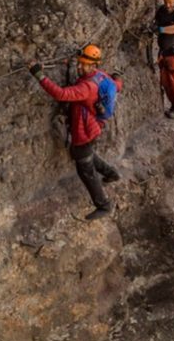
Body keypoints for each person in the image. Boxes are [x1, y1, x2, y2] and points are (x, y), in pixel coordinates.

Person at [27, 44, 122, 220]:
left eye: (83, 64)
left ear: (92, 65)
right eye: (79, 63)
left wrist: (38, 74)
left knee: (84, 169)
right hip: (92, 128)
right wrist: (118, 77)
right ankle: (111, 173)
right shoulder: (100, 76)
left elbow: (61, 94)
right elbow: (116, 85)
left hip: (84, 132)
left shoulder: (88, 87)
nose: (79, 67)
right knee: (86, 155)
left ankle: (104, 205)